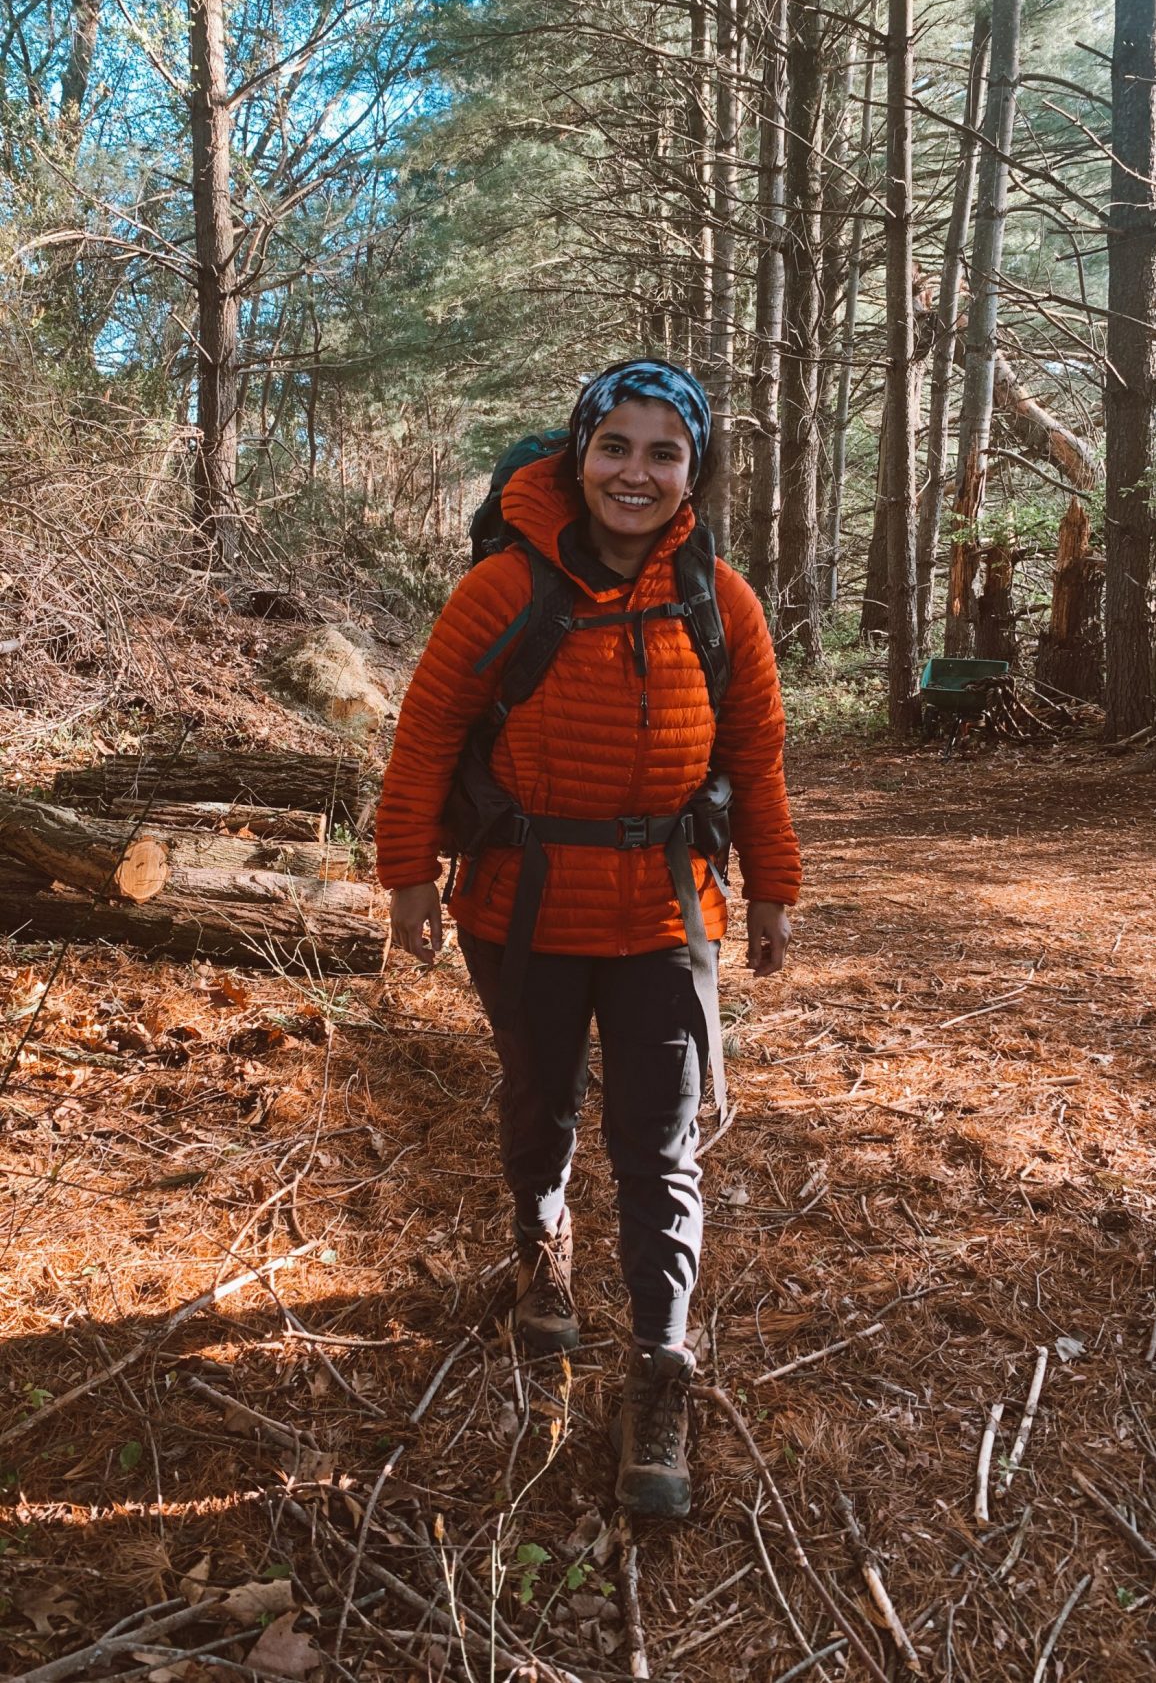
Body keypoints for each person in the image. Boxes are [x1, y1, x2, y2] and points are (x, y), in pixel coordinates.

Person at [377, 359, 801, 1518]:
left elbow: (755, 759)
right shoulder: (502, 590)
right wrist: (408, 873)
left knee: (660, 1138)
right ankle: (540, 1242)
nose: (637, 472)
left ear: (693, 471)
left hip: (668, 912)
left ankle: (660, 1366)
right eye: (617, 445)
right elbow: (424, 740)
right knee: (539, 1095)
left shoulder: (727, 602)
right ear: (579, 454)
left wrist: (772, 886)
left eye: (665, 452)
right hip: (522, 903)